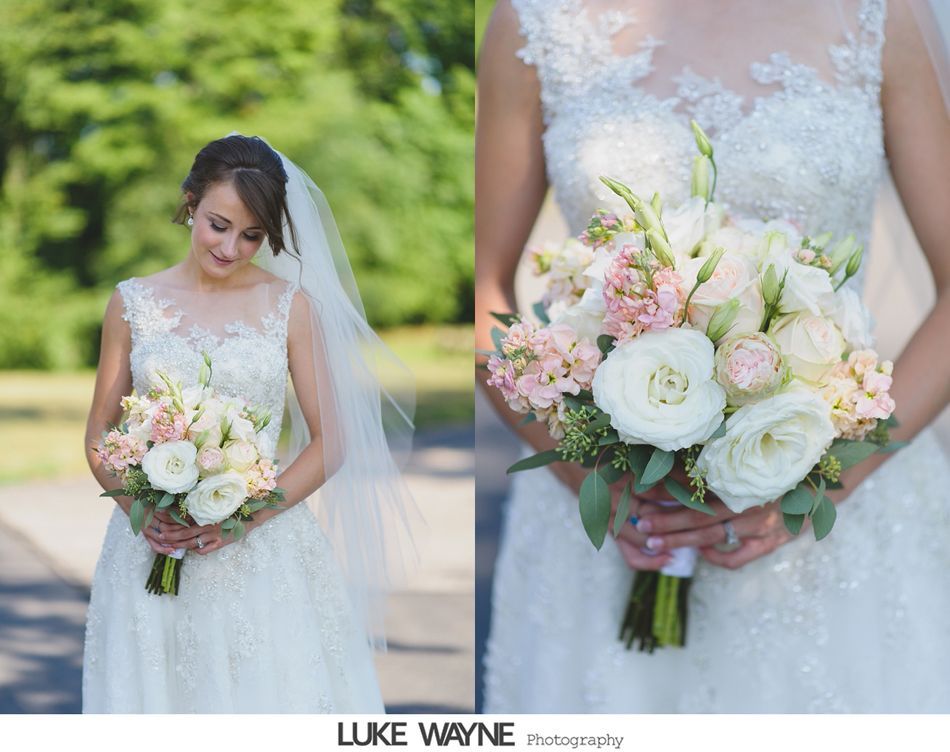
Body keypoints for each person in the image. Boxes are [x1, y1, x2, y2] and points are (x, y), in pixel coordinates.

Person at [476, 0, 950, 712]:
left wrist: (818, 489)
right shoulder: (536, 21)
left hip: (840, 512)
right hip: (610, 516)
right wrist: (590, 478)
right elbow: (484, 291)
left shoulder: (884, 16)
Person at [83, 134, 414, 713]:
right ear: (189, 203)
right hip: (147, 545)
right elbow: (99, 434)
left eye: (253, 235)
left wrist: (242, 519)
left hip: (258, 550)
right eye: (218, 224)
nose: (232, 247)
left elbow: (331, 440)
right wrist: (140, 509)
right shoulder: (131, 302)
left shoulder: (291, 307)